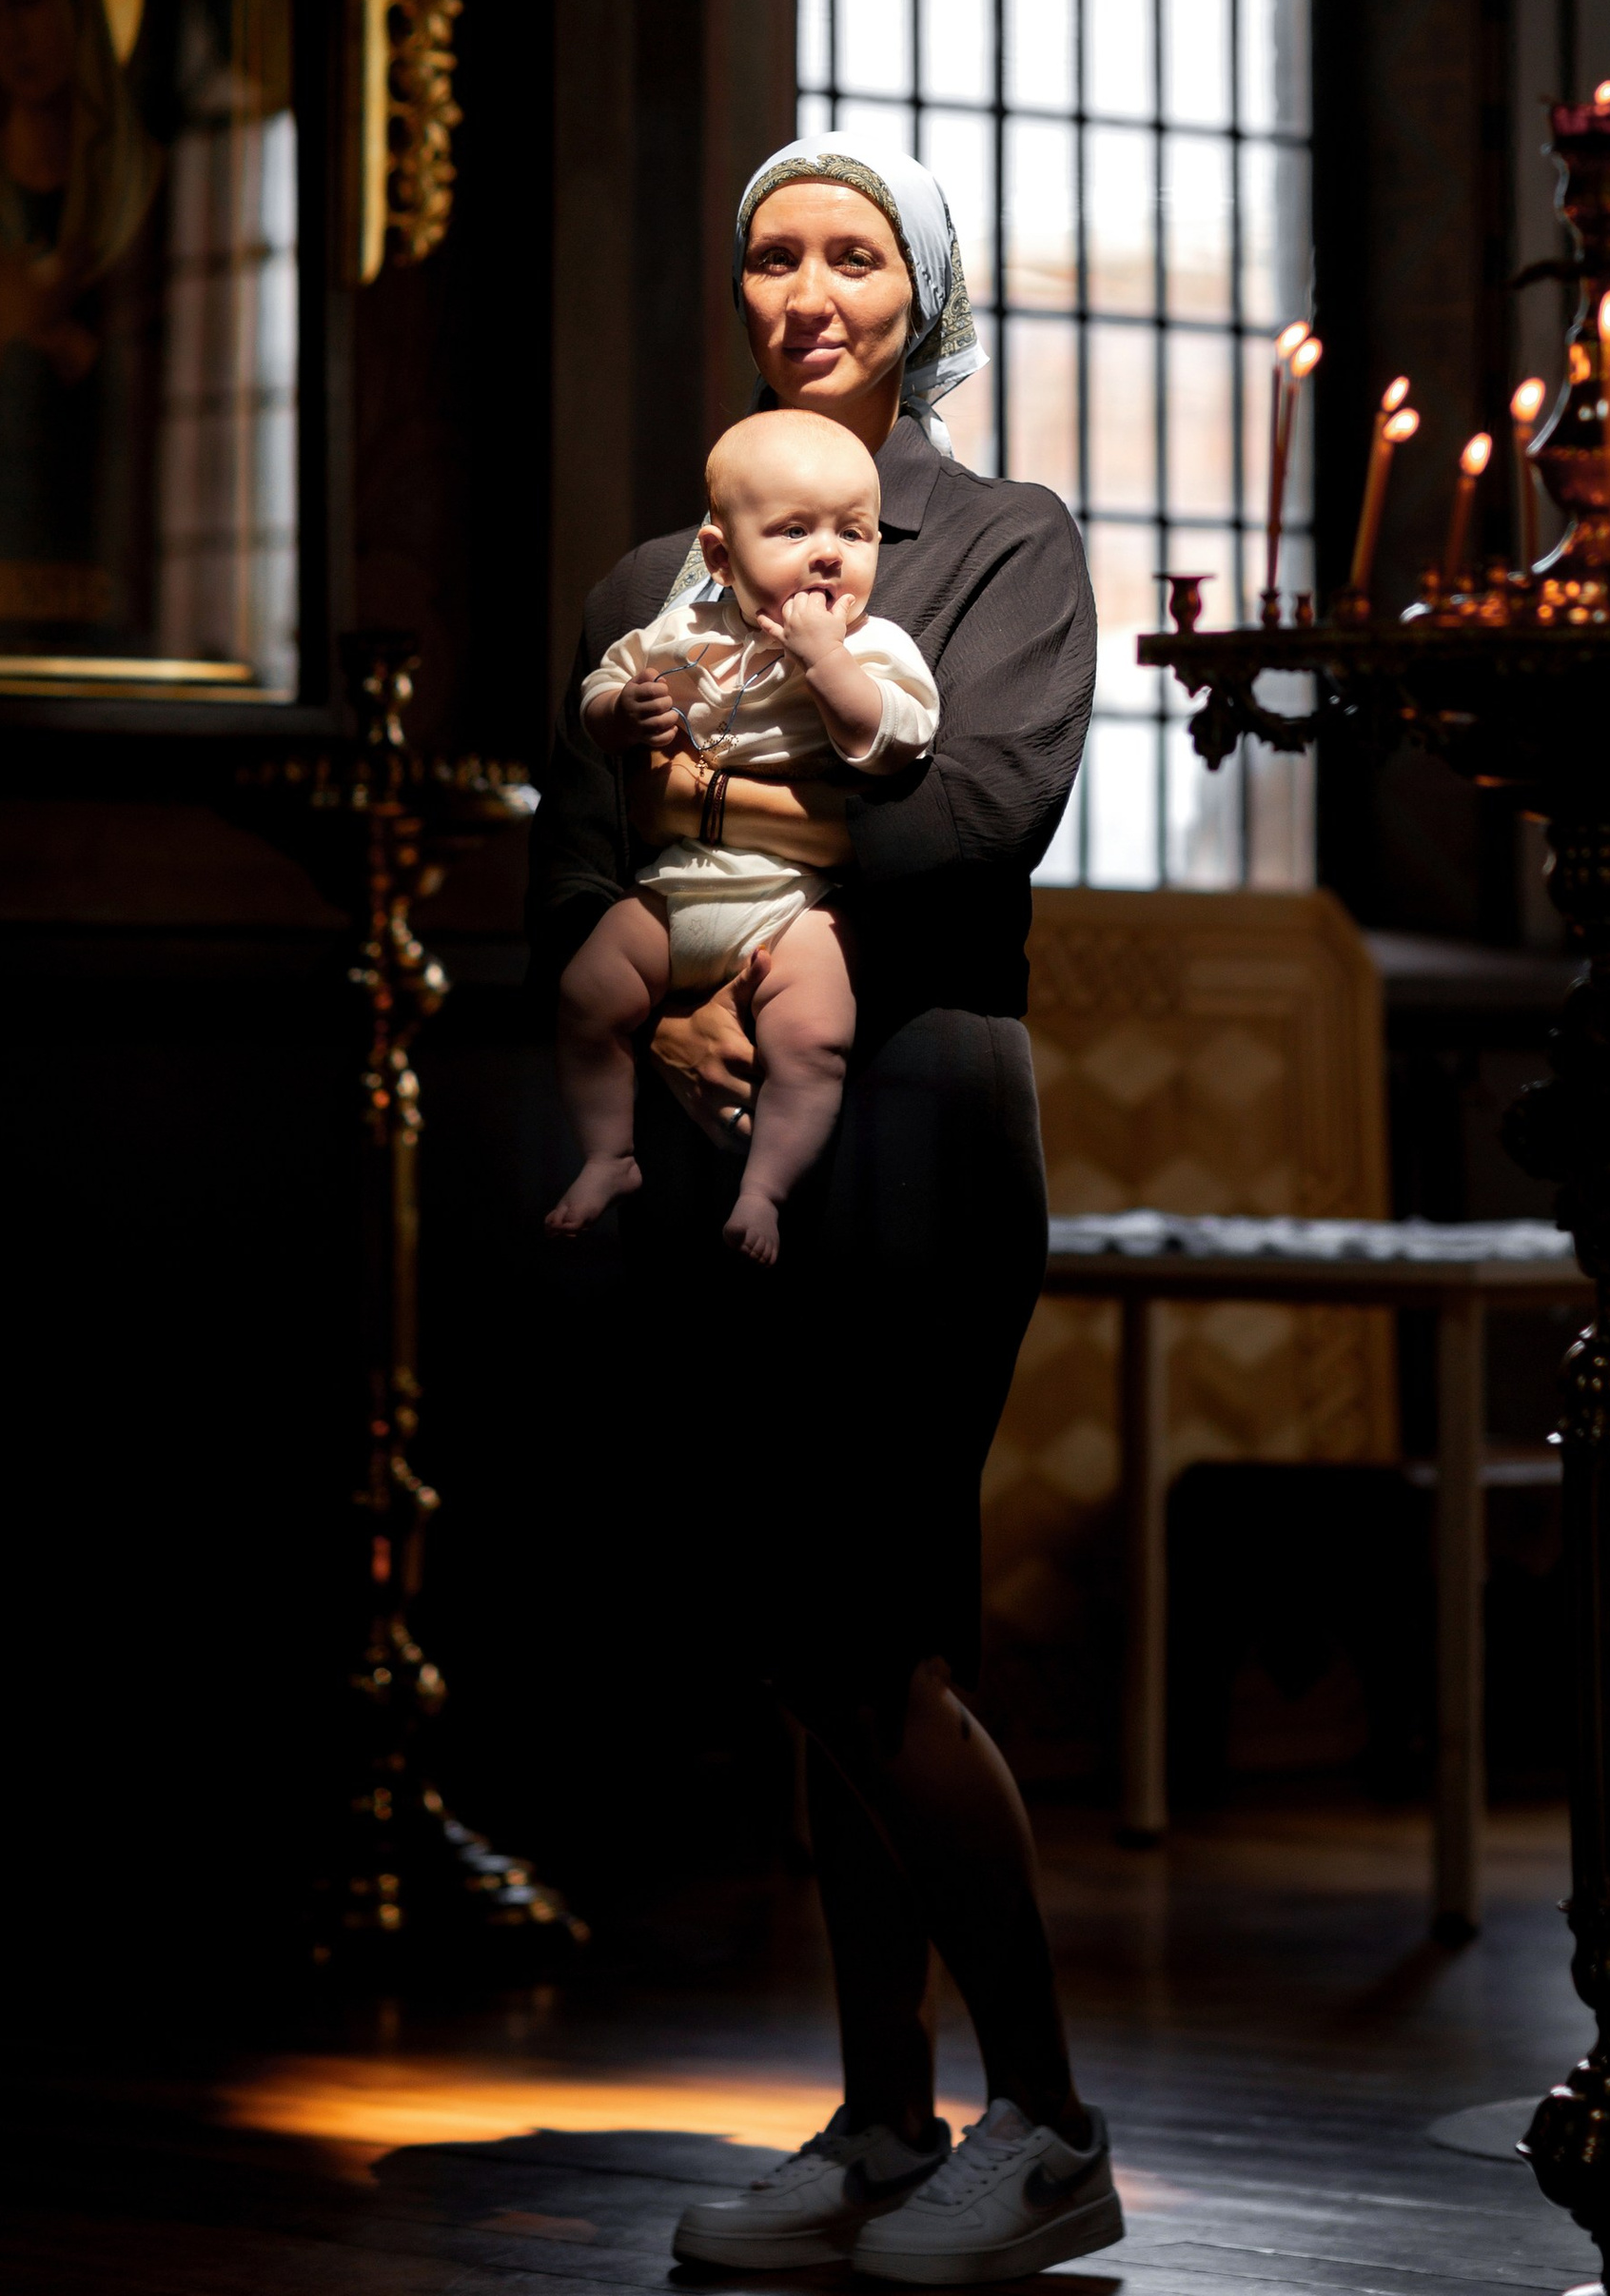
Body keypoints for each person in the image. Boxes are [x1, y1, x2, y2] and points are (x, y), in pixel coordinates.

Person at [532, 135, 1120, 2287]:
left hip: (931, 1123)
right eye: (772, 246)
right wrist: (669, 1005)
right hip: (731, 1147)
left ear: (915, 294)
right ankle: (885, 2116)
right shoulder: (639, 582)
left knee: (869, 1634)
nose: (804, 282)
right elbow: (562, 875)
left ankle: (1042, 2117)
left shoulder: (1002, 545)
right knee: (813, 1641)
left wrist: (744, 858)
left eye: (850, 249)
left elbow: (984, 810)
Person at [546, 404, 939, 1263]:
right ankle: (609, 1156)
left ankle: (765, 1188)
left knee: (812, 1035)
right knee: (587, 994)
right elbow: (601, 693)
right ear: (721, 556)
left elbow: (895, 739)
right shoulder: (681, 628)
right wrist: (625, 711)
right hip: (684, 879)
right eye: (795, 530)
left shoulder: (875, 645)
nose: (830, 552)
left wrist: (825, 660)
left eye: (855, 532)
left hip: (798, 902)